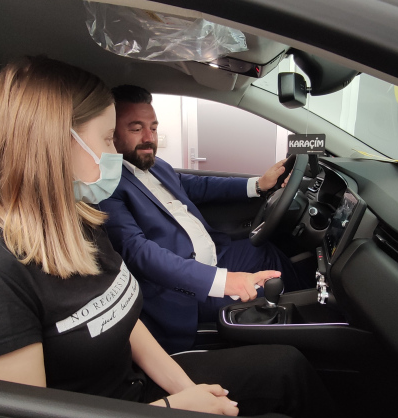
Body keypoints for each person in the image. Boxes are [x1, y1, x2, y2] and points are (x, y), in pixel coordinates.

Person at [0, 56, 336, 418]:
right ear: (55, 144)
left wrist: (188, 389)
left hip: (140, 386)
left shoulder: (80, 225)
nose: (115, 153)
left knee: (287, 366)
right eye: (108, 138)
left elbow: (124, 320)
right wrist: (174, 410)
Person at [100, 85, 304, 354]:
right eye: (136, 129)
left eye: (154, 127)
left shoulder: (155, 165)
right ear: (111, 133)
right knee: (267, 294)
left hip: (216, 254)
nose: (149, 138)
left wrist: (259, 184)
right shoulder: (108, 185)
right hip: (184, 287)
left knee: (264, 251)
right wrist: (222, 281)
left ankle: (309, 303)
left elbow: (197, 185)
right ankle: (302, 334)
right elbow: (137, 252)